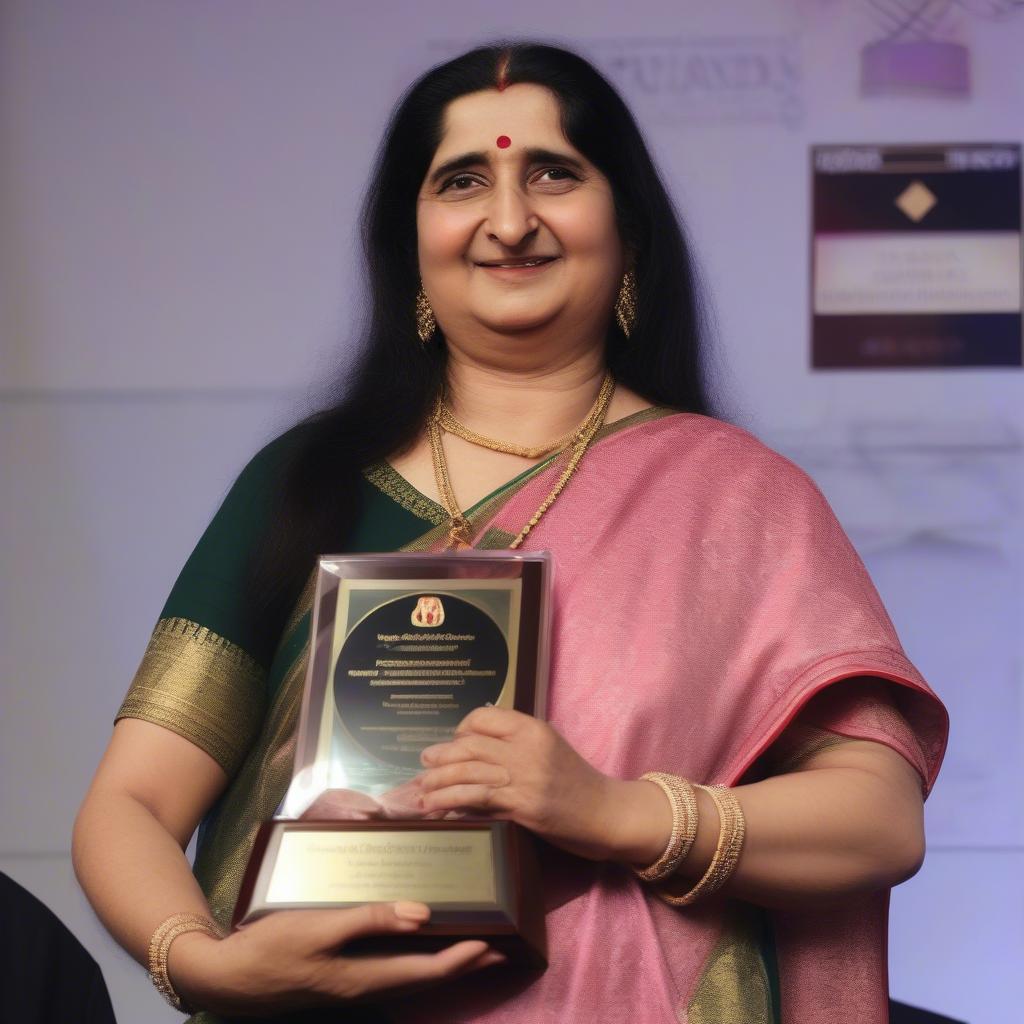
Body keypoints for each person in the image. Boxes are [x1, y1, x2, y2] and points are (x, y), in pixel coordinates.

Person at [73, 42, 948, 1024]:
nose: (508, 219)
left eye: (552, 173)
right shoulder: (303, 485)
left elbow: (877, 821)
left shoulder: (740, 500)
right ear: (409, 243)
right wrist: (202, 964)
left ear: (627, 234)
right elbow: (133, 803)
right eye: (461, 181)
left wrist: (611, 810)